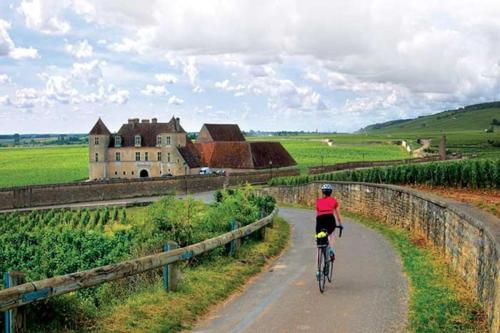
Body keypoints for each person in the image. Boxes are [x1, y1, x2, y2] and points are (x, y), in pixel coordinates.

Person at [316, 183, 343, 261]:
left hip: (320, 220)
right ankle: (330, 250)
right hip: (330, 220)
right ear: (330, 192)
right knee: (331, 234)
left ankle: (318, 268)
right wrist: (340, 224)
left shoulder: (318, 201)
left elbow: (318, 214)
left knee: (319, 239)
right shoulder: (334, 201)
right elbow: (338, 215)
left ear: (322, 192)